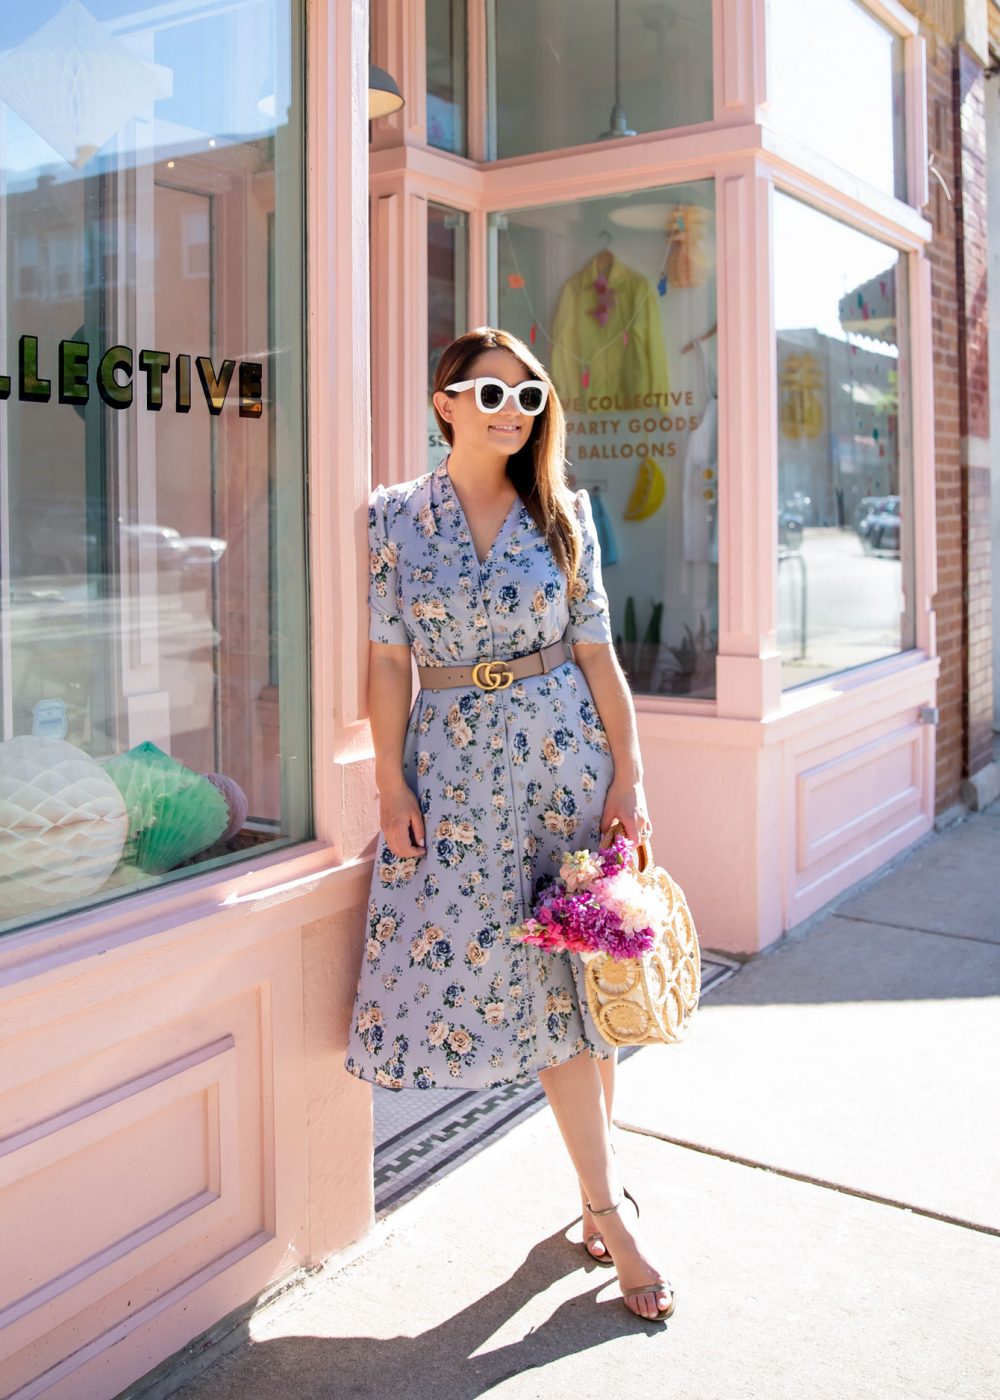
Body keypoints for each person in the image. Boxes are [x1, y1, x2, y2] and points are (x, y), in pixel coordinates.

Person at [344, 327, 673, 1322]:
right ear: (443, 399)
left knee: (579, 975)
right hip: (451, 779)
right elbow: (388, 662)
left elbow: (600, 659)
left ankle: (601, 1205)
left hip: (560, 765)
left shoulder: (564, 510)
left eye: (526, 397)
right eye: (489, 392)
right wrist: (389, 785)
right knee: (535, 986)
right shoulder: (392, 517)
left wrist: (631, 775)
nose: (509, 410)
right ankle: (603, 1205)